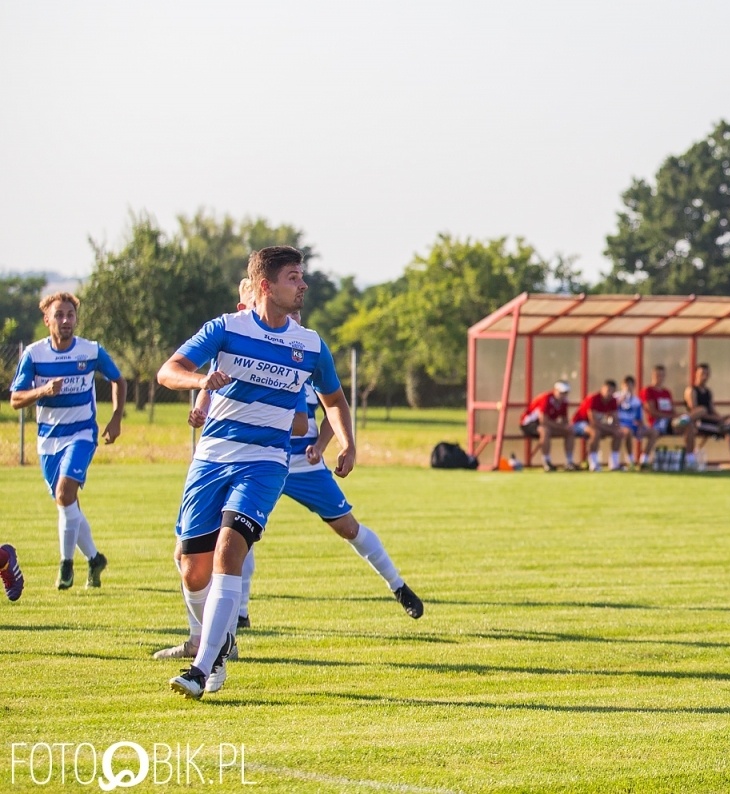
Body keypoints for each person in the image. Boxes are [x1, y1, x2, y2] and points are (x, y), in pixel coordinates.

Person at [156, 246, 355, 700]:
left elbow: (335, 400)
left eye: (302, 277)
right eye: (293, 278)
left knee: (230, 550)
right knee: (192, 569)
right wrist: (199, 381)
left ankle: (203, 666)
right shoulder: (225, 329)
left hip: (265, 464)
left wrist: (345, 441)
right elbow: (169, 371)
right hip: (211, 459)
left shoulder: (310, 344)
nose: (303, 285)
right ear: (265, 285)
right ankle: (218, 639)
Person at [181, 304, 423, 638]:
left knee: (348, 527)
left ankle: (398, 585)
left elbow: (325, 411)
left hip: (302, 466)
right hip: (257, 461)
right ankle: (237, 616)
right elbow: (210, 391)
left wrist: (323, 446)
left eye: (294, 318)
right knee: (231, 537)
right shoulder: (245, 351)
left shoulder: (305, 359)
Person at [9, 291, 125, 590]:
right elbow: (15, 400)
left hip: (82, 434)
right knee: (66, 503)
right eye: (58, 315)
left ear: (76, 319)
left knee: (64, 493)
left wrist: (115, 418)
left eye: (70, 315)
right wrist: (43, 391)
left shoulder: (90, 351)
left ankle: (65, 566)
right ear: (47, 320)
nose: (65, 320)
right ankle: (95, 558)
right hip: (48, 441)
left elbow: (118, 380)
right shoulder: (34, 355)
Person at [684, 363, 730, 468]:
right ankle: (691, 457)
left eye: (706, 374)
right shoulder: (691, 390)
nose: (704, 376)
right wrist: (715, 418)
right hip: (698, 422)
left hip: (709, 421)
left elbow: (712, 409)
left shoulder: (708, 392)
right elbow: (694, 410)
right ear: (696, 374)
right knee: (702, 411)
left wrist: (721, 418)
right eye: (702, 373)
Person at [574, 381, 629, 471]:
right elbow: (593, 422)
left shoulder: (613, 400)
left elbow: (615, 420)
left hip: (598, 425)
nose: (609, 393)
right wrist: (612, 429)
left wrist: (617, 428)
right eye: (608, 390)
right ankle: (593, 463)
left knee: (618, 433)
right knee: (595, 433)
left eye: (612, 391)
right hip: (580, 423)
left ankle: (614, 464)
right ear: (602, 389)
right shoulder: (593, 399)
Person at [521, 381, 573, 471]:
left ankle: (569, 462)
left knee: (570, 431)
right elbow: (543, 421)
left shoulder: (564, 402)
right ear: (555, 390)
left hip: (547, 425)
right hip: (528, 424)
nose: (563, 395)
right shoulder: (546, 398)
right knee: (545, 431)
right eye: (561, 393)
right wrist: (562, 427)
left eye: (565, 393)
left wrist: (566, 427)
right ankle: (547, 462)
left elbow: (564, 420)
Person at [640, 366, 678, 465]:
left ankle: (689, 458)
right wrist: (670, 417)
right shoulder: (648, 391)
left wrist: (677, 416)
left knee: (689, 426)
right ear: (653, 376)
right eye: (658, 375)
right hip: (657, 422)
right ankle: (644, 459)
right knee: (655, 433)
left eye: (662, 375)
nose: (660, 378)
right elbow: (652, 412)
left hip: (670, 422)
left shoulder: (666, 392)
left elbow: (672, 410)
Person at [615, 376, 649, 469]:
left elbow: (639, 418)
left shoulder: (636, 401)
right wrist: (620, 401)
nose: (628, 388)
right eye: (626, 385)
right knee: (627, 432)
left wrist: (641, 427)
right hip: (619, 424)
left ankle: (644, 460)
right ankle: (630, 459)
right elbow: (610, 411)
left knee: (653, 432)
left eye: (630, 386)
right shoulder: (616, 397)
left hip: (633, 425)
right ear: (622, 386)